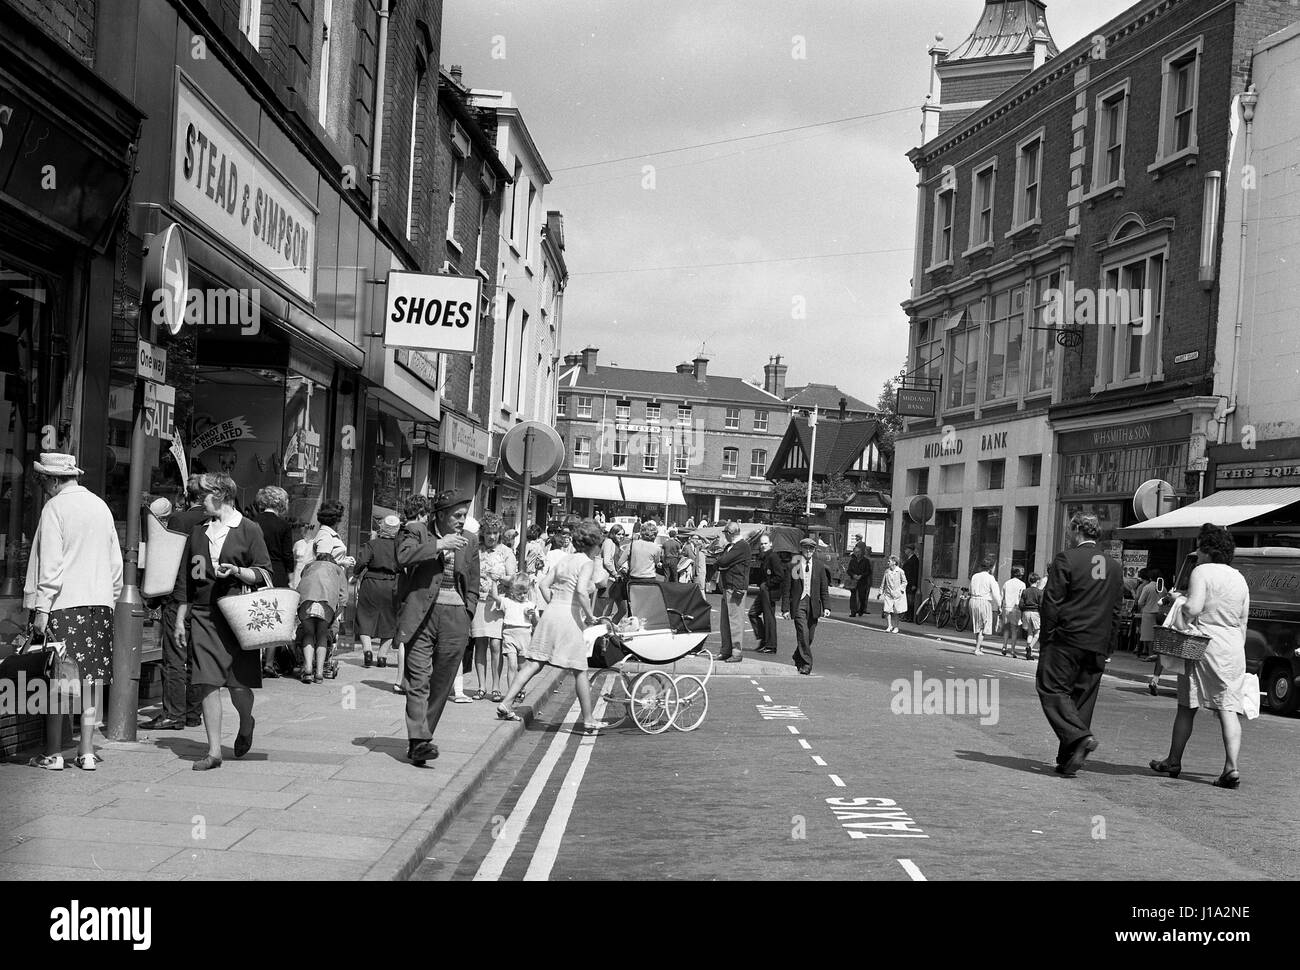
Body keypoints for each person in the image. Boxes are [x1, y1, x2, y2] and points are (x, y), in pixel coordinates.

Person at [24, 454, 123, 771]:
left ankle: (53, 753)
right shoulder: (100, 506)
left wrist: (42, 607)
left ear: (52, 480)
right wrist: (109, 596)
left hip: (65, 604)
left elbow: (51, 566)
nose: (43, 488)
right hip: (100, 605)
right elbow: (116, 566)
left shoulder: (55, 508)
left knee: (58, 682)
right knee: (90, 682)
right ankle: (87, 751)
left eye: (43, 482)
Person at [174, 473, 274, 770]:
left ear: (219, 495)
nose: (198, 499)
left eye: (203, 494)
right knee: (206, 682)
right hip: (204, 614)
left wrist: (238, 572)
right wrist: (181, 618)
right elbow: (185, 579)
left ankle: (246, 721)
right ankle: (214, 751)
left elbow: (264, 572)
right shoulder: (198, 530)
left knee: (237, 685)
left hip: (237, 615)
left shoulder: (249, 529)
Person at [1148, 526, 1250, 788]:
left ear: (1206, 548)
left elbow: (1193, 607)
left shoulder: (1201, 571)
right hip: (1233, 647)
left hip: (1202, 644)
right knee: (1229, 708)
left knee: (1187, 705)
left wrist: (1177, 600)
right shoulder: (1239, 578)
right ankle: (1231, 767)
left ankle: (1173, 760)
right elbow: (1243, 622)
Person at [496, 519, 606, 733]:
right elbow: (582, 591)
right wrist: (591, 616)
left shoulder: (565, 560)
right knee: (580, 669)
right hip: (569, 617)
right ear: (594, 544)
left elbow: (544, 584)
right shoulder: (587, 562)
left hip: (552, 612)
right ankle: (589, 718)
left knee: (534, 663)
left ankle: (506, 702)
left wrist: (554, 600)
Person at [396, 490, 479, 766]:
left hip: (456, 616)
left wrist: (468, 612)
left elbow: (474, 584)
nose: (461, 521)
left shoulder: (470, 540)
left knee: (442, 682)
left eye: (464, 516)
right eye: (456, 516)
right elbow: (403, 557)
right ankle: (419, 740)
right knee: (417, 679)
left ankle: (422, 736)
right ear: (440, 515)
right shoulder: (418, 531)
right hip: (421, 614)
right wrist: (440, 545)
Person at [1037, 513, 1122, 778]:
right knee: (1082, 699)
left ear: (1076, 530)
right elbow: (1116, 610)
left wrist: (1047, 636)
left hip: (1066, 638)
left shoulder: (1067, 558)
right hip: (1097, 641)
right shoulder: (1114, 566)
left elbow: (1052, 602)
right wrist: (1109, 646)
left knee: (1051, 688)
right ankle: (1068, 758)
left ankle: (1080, 736)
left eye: (1069, 530)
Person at [142, 475, 208, 730]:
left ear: (186, 496)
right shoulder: (215, 520)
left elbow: (169, 561)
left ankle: (173, 713)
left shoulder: (181, 520)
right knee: (194, 657)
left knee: (174, 658)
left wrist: (155, 597)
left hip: (179, 595)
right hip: (204, 598)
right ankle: (193, 712)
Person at [470, 514, 516, 703]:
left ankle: (496, 687)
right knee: (480, 644)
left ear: (500, 533)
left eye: (495, 533)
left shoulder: (506, 552)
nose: (491, 537)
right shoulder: (476, 550)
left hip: (497, 603)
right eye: (488, 533)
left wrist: (498, 576)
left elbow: (513, 578)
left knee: (496, 644)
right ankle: (482, 686)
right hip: (479, 601)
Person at [253, 485, 295, 678]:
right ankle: (269, 662)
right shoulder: (284, 526)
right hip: (276, 573)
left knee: (254, 616)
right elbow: (288, 556)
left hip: (254, 571)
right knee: (273, 619)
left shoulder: (252, 522)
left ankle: (253, 659)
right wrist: (291, 577)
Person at [297, 536, 349, 683]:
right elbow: (343, 597)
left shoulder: (309, 567)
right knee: (321, 635)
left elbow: (301, 584)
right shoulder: (337, 570)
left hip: (306, 603)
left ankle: (307, 670)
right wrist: (335, 616)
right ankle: (319, 673)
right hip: (326, 605)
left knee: (308, 633)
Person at [356, 514, 401, 670]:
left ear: (382, 527)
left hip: (371, 583)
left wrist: (356, 574)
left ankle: (368, 651)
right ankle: (382, 656)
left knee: (365, 616)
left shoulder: (372, 544)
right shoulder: (400, 546)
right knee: (390, 620)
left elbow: (362, 562)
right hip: (392, 584)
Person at [790, 537, 831, 675]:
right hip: (799, 603)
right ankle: (807, 664)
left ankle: (797, 655)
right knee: (803, 632)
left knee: (809, 637)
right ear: (801, 549)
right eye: (806, 548)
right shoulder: (795, 563)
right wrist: (785, 608)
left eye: (811, 549)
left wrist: (827, 607)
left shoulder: (819, 566)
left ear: (814, 550)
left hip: (813, 604)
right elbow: (787, 587)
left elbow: (824, 588)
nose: (808, 551)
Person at [494, 574, 537, 706]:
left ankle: (521, 689)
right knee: (511, 665)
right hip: (509, 634)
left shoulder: (529, 605)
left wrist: (532, 614)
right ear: (512, 592)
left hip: (524, 635)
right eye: (519, 593)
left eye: (525, 592)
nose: (523, 595)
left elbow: (536, 622)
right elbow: (495, 597)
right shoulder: (507, 602)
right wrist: (494, 582)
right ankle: (511, 693)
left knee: (522, 667)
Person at [713, 521, 752, 663]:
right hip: (728, 587)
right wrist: (721, 563)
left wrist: (721, 563)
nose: (725, 537)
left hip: (736, 588)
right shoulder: (732, 546)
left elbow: (722, 561)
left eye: (725, 534)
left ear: (730, 533)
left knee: (735, 622)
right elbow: (722, 562)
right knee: (725, 622)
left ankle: (736, 653)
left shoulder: (741, 546)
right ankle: (725, 650)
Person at [748, 533, 784, 653]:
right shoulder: (764, 557)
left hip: (769, 591)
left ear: (770, 544)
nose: (763, 546)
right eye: (761, 544)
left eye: (765, 543)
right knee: (753, 613)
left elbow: (780, 575)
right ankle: (763, 640)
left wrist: (767, 585)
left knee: (769, 618)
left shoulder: (773, 557)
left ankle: (771, 646)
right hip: (764, 590)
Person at [967, 556, 1002, 655]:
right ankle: (977, 649)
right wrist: (999, 605)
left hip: (973, 600)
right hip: (984, 601)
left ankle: (978, 645)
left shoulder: (975, 576)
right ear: (991, 568)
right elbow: (996, 594)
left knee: (977, 625)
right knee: (983, 626)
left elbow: (970, 589)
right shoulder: (990, 578)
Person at [1137, 568, 1164, 660]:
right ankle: (1157, 655)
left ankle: (1150, 654)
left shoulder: (1147, 587)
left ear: (1150, 577)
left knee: (1148, 635)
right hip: (1160, 613)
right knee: (1157, 635)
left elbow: (1140, 602)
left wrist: (1143, 607)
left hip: (1148, 612)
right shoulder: (1163, 588)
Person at [1001, 566, 1027, 658]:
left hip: (1006, 607)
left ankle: (1004, 647)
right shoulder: (1022, 584)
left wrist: (1000, 608)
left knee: (1006, 629)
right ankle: (1012, 650)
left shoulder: (1007, 583)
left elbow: (1002, 596)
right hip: (1016, 608)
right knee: (1014, 630)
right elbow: (1022, 598)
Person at [845, 542, 874, 617]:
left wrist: (861, 576)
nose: (857, 554)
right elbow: (849, 570)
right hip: (853, 581)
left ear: (861, 552)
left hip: (862, 581)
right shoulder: (852, 561)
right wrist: (853, 575)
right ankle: (853, 611)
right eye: (855, 552)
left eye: (858, 552)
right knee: (853, 597)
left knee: (862, 596)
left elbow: (868, 571)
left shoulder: (866, 561)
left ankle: (861, 609)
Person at [880, 555, 907, 634]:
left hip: (897, 595)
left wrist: (901, 590)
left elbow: (905, 582)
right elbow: (883, 582)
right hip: (888, 593)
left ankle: (896, 627)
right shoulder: (887, 571)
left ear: (894, 562)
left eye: (889, 561)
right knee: (887, 610)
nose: (888, 562)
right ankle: (889, 626)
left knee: (896, 611)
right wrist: (880, 591)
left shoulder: (900, 571)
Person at [1020, 573, 1043, 661]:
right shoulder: (1039, 592)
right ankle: (1029, 647)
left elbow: (1021, 604)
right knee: (1037, 633)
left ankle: (1029, 653)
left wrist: (1023, 611)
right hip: (1035, 612)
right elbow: (1041, 605)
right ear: (1037, 581)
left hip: (1026, 612)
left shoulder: (1025, 591)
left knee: (1029, 633)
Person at [901, 545, 920, 623]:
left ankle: (910, 617)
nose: (905, 550)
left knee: (910, 601)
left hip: (910, 583)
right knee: (907, 600)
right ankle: (906, 616)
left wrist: (914, 584)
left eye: (907, 549)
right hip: (907, 583)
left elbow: (915, 572)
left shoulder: (914, 559)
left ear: (911, 550)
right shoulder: (909, 559)